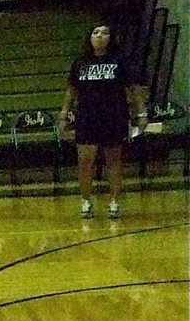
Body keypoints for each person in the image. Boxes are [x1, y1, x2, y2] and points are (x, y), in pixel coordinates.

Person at [58, 21, 147, 220]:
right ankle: (86, 201)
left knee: (113, 160)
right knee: (85, 160)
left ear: (110, 38)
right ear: (90, 38)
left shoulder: (120, 60)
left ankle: (114, 202)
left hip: (114, 115)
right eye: (96, 32)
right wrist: (64, 114)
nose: (100, 36)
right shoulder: (80, 62)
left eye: (105, 33)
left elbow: (134, 88)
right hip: (87, 116)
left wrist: (142, 113)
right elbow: (71, 90)